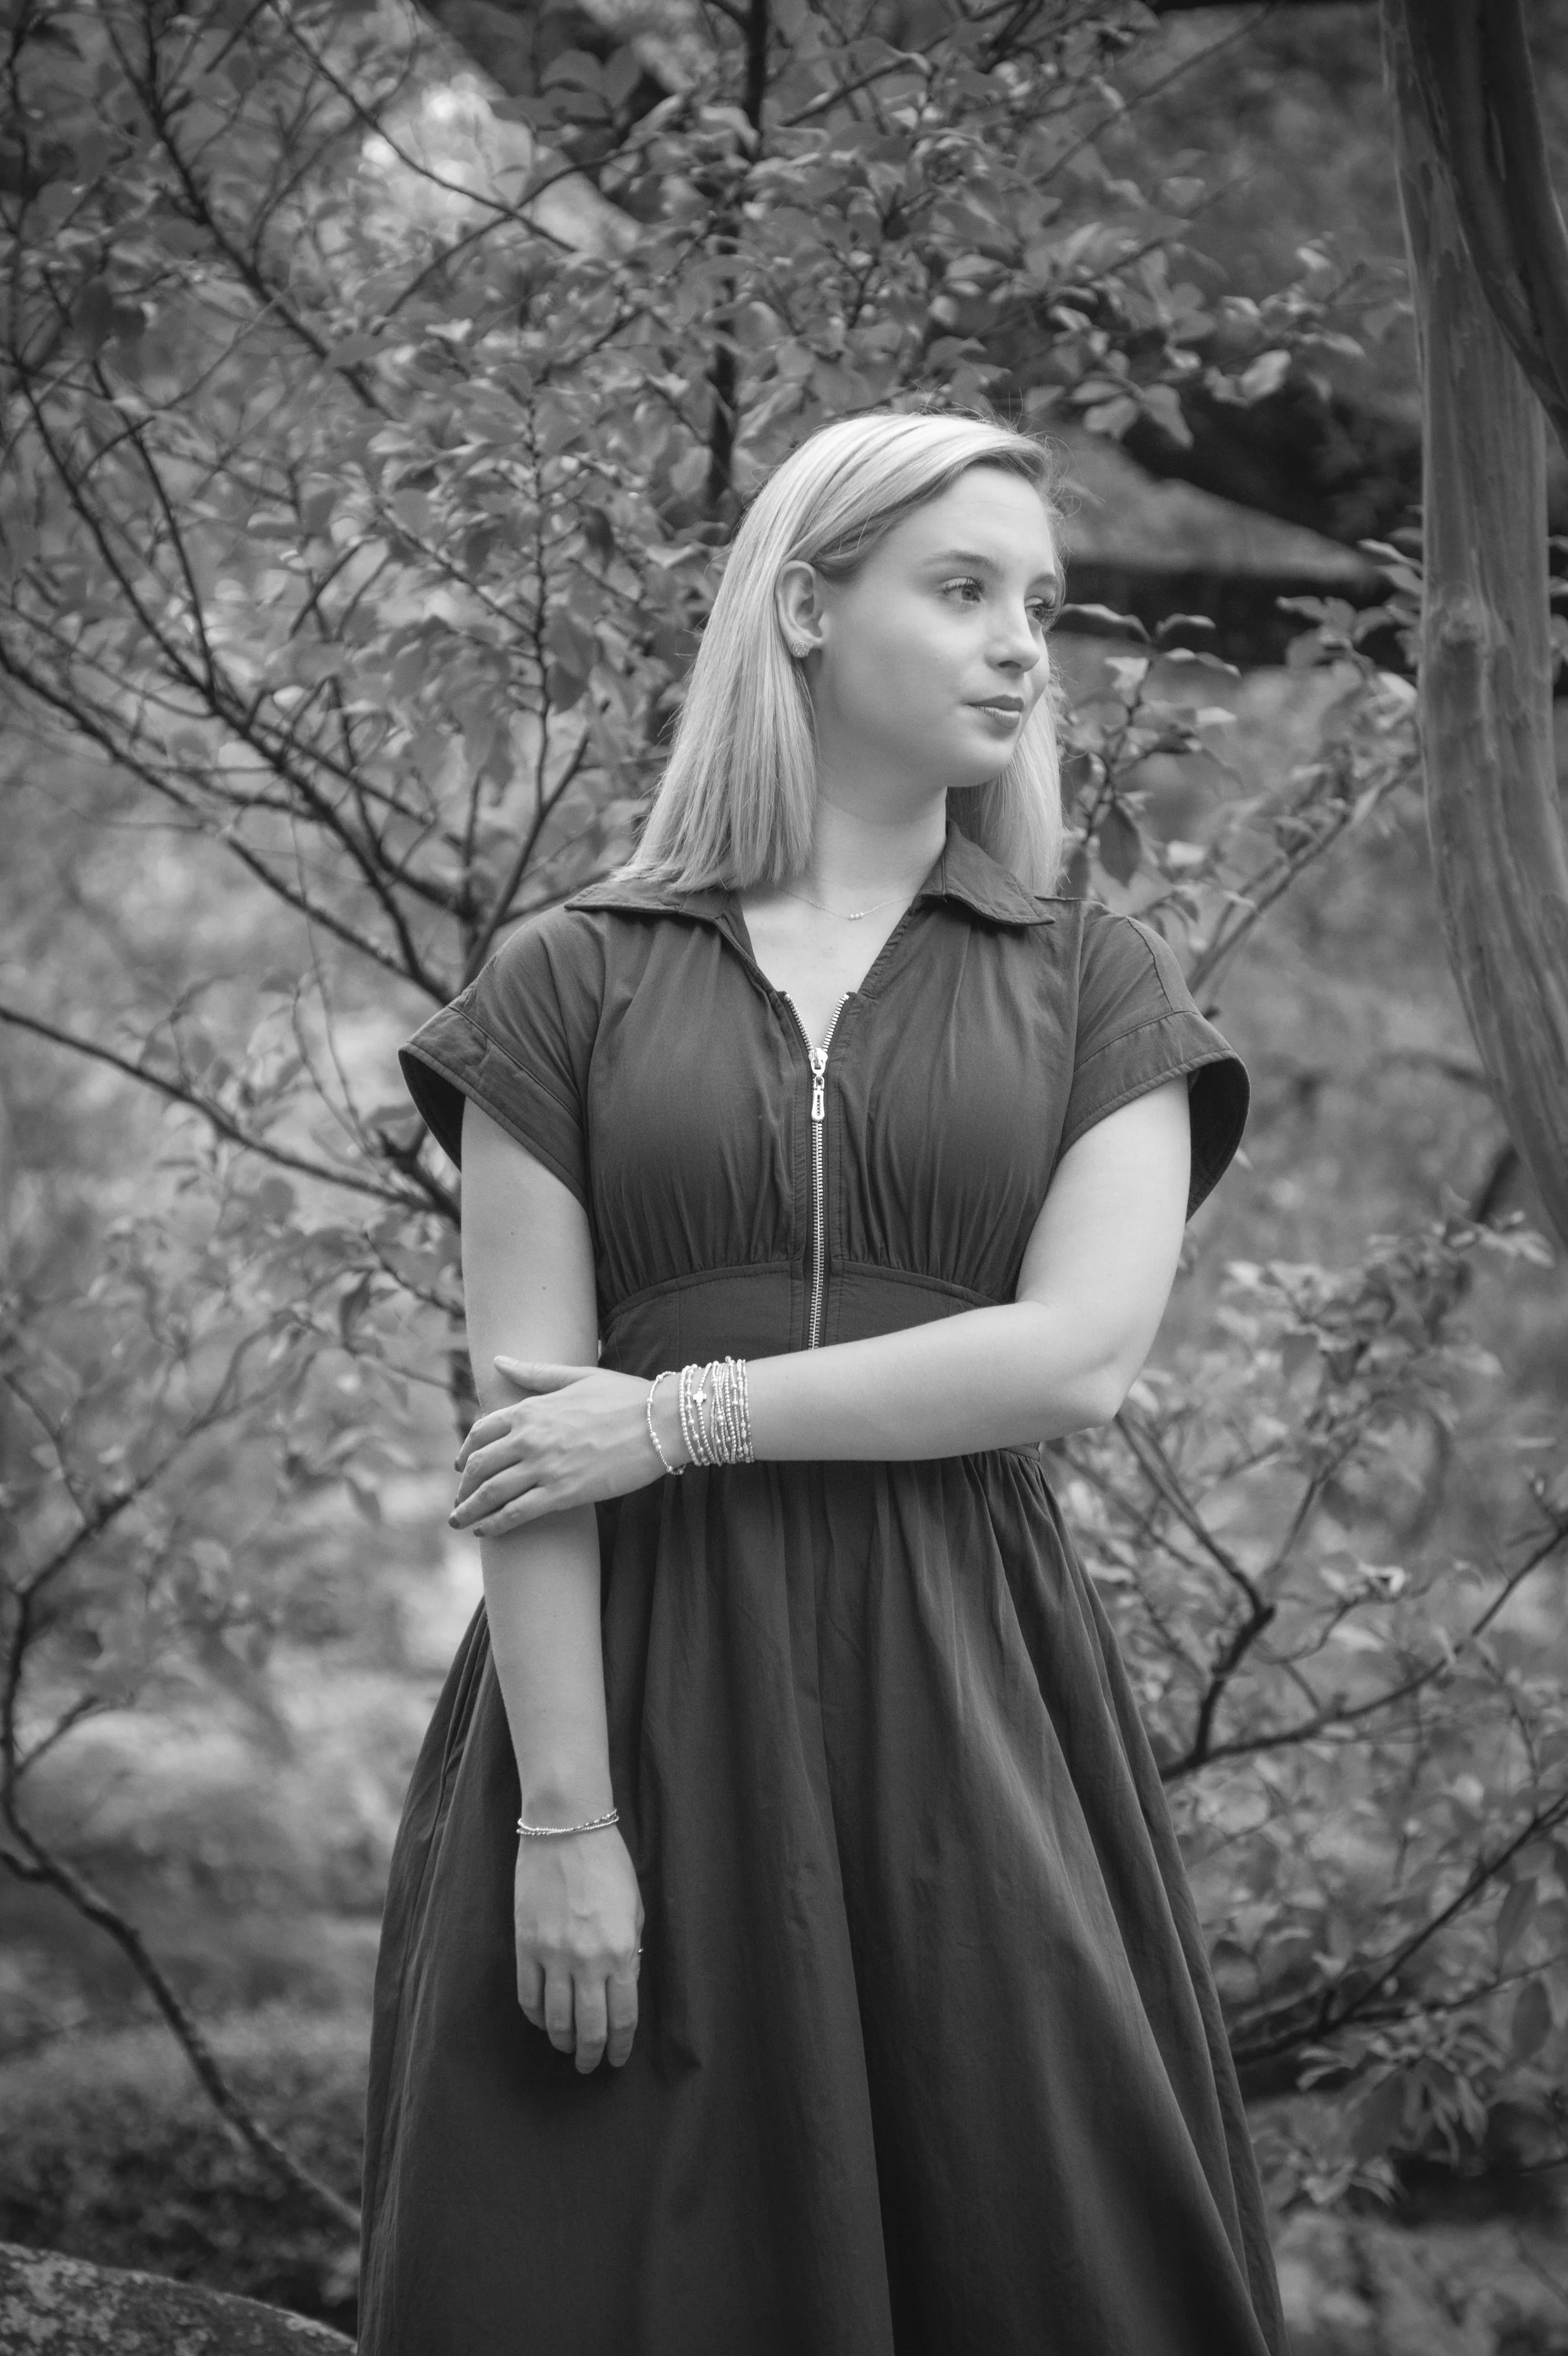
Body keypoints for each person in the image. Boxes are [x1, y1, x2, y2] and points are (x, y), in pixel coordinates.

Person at [358, 409, 1286, 2356]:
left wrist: (673, 1413)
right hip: (625, 1700)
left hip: (967, 1693)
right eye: (959, 591)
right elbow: (526, 1444)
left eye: (1037, 602)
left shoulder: (1094, 980)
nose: (1021, 645)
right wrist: (563, 1825)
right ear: (800, 609)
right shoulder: (569, 979)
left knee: (1046, 2255)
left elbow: (1078, 1357)